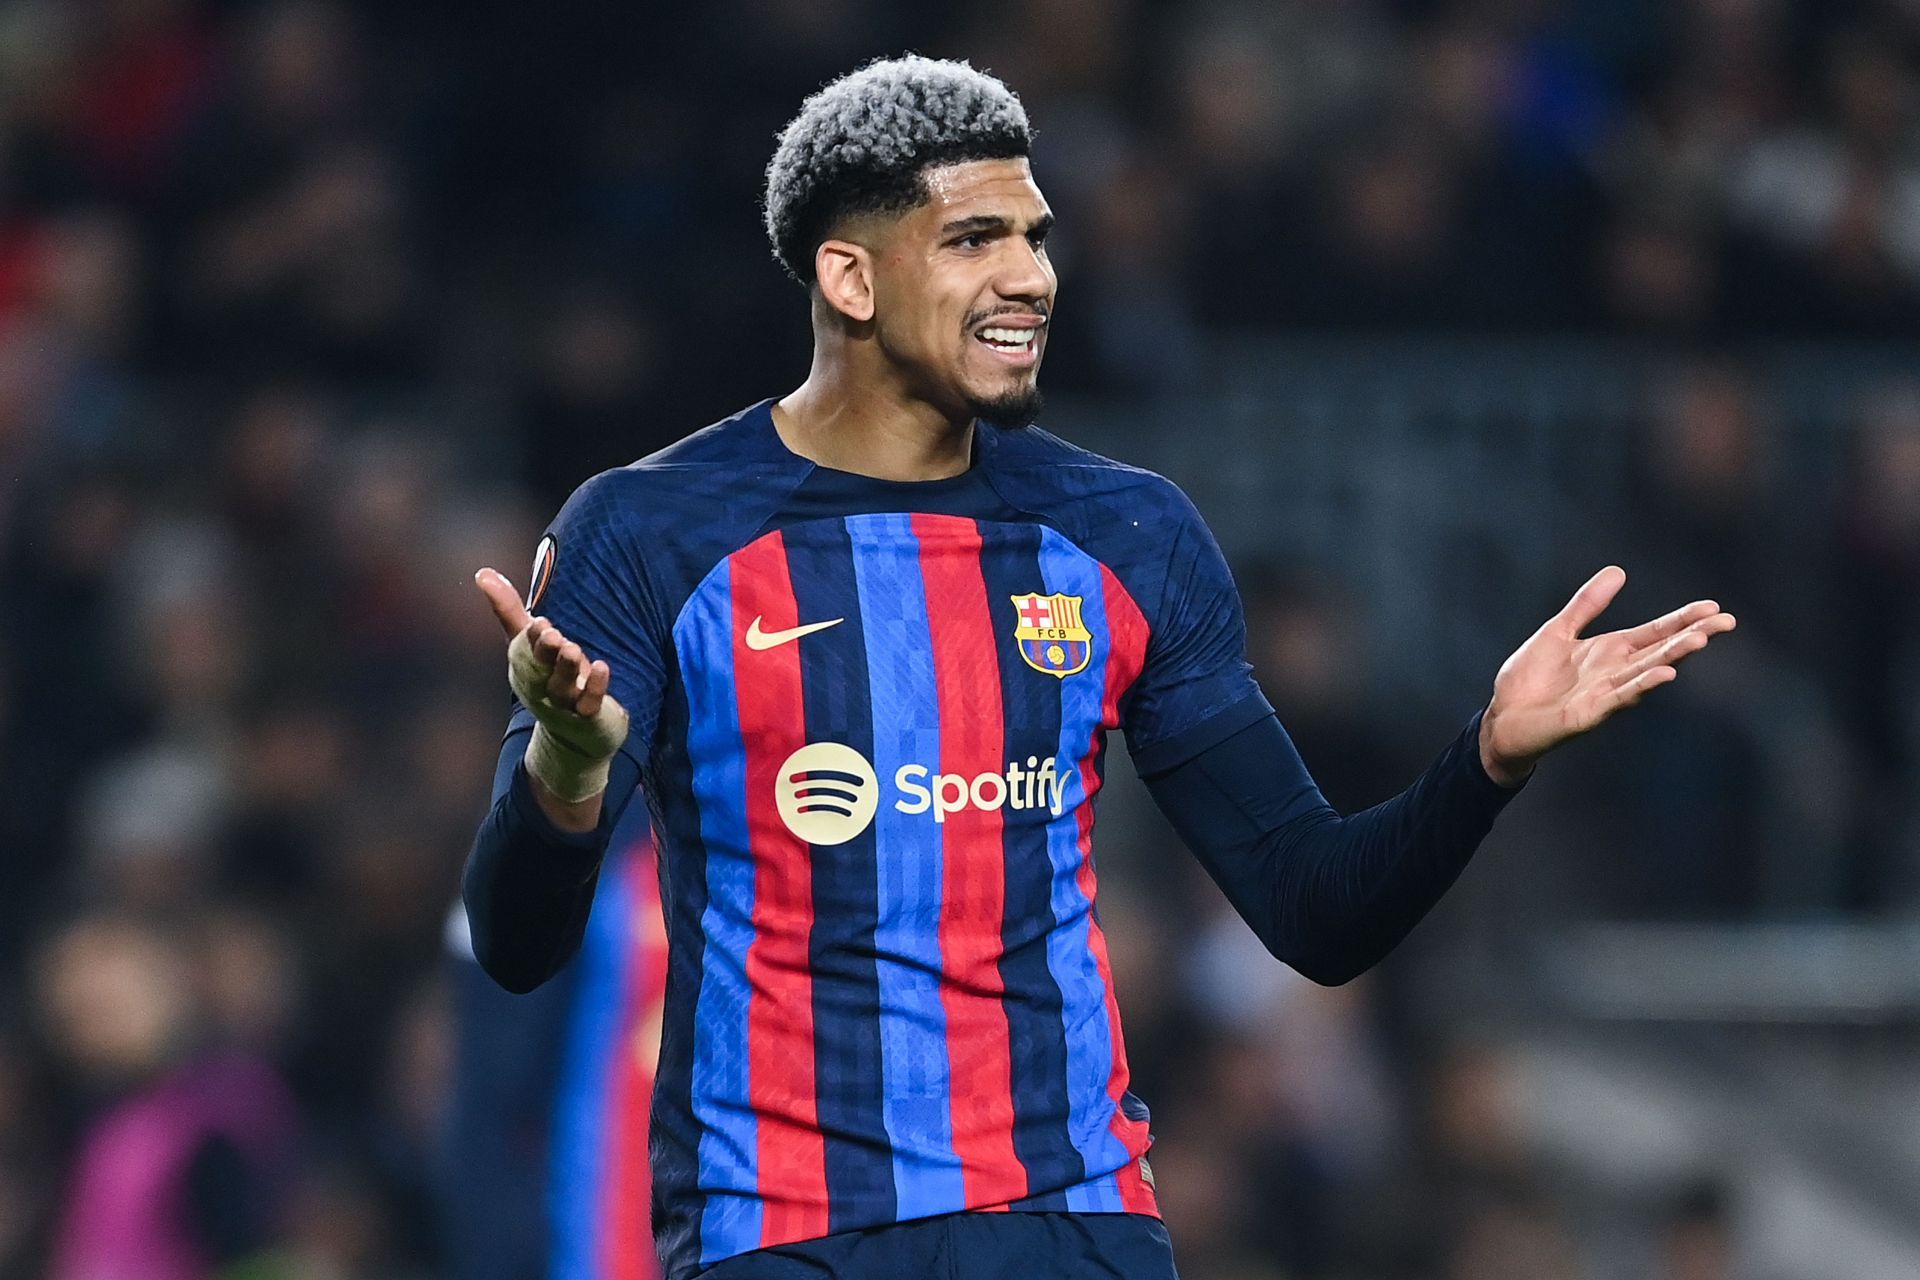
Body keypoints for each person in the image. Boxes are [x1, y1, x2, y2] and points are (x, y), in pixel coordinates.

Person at [461, 55, 1735, 1280]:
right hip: (790, 1231)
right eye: (974, 241)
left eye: (1036, 234)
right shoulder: (656, 531)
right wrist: (570, 765)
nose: (1030, 277)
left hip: (1071, 1224)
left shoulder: (1123, 533)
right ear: (848, 277)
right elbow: (519, 943)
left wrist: (1487, 759)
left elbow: (1316, 907)